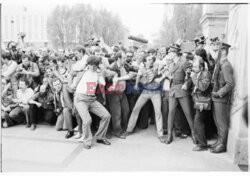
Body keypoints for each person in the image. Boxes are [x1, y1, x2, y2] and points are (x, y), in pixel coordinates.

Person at [123, 55, 166, 144]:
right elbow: (138, 76)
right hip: (146, 91)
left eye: (151, 59)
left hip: (156, 92)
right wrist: (136, 84)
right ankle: (129, 129)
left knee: (158, 112)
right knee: (135, 109)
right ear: (145, 61)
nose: (151, 61)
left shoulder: (157, 66)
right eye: (149, 59)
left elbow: (163, 74)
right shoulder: (142, 68)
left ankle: (160, 134)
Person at [73, 56, 112, 149]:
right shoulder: (83, 71)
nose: (93, 68)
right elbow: (73, 70)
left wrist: (100, 73)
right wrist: (72, 84)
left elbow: (103, 83)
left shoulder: (98, 73)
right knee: (87, 120)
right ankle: (87, 141)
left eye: (95, 66)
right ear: (88, 65)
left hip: (91, 99)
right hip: (80, 99)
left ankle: (100, 137)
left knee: (106, 116)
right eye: (91, 65)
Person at [165, 44, 197, 144]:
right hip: (173, 90)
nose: (168, 54)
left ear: (175, 53)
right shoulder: (171, 64)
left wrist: (186, 84)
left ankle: (194, 134)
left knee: (188, 113)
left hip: (182, 90)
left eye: (170, 52)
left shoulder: (184, 62)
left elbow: (191, 76)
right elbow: (170, 76)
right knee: (171, 113)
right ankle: (169, 135)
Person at [210, 42, 234, 153]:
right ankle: (219, 142)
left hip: (221, 98)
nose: (216, 53)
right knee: (217, 121)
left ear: (223, 51)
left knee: (222, 122)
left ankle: (222, 145)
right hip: (216, 97)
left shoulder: (226, 65)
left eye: (218, 50)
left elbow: (230, 84)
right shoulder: (220, 64)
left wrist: (219, 93)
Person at [190, 50, 212, 151]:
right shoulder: (199, 73)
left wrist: (194, 78)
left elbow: (203, 87)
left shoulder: (206, 74)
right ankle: (201, 143)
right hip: (199, 101)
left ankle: (202, 145)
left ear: (201, 67)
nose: (193, 69)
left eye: (195, 67)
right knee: (198, 121)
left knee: (198, 122)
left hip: (203, 102)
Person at [106, 51, 130, 139]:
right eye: (124, 58)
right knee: (117, 113)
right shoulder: (112, 67)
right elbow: (108, 79)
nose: (125, 59)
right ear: (118, 58)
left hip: (122, 92)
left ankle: (123, 128)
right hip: (114, 94)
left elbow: (132, 70)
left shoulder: (125, 66)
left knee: (126, 110)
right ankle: (117, 131)